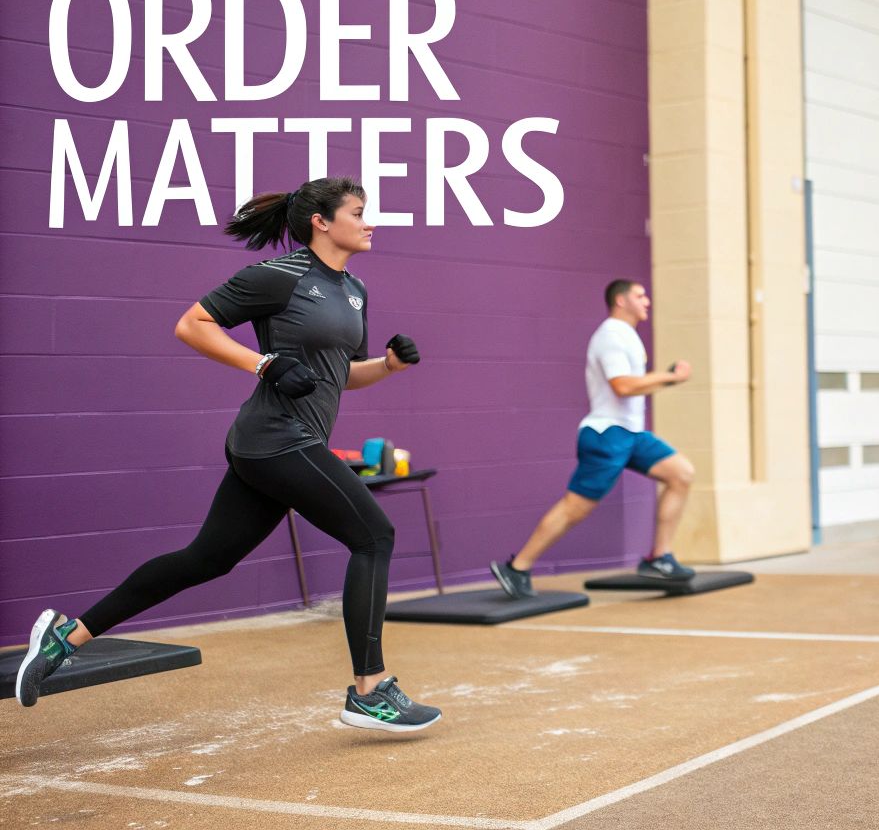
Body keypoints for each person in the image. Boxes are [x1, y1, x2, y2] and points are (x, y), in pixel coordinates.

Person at [13, 177, 440, 733]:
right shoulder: (280, 277)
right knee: (374, 536)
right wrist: (263, 363)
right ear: (322, 221)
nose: (369, 221)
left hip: (282, 441)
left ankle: (65, 637)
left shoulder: (354, 289)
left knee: (207, 559)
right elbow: (192, 324)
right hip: (276, 437)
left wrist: (388, 366)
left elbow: (338, 378)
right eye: (358, 212)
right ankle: (368, 691)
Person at [490, 279, 698, 597]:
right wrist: (671, 376)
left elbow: (634, 386)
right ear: (620, 300)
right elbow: (623, 386)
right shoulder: (611, 335)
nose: (647, 301)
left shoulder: (627, 335)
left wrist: (666, 380)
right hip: (606, 434)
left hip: (631, 434)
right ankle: (516, 567)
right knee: (576, 508)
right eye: (640, 295)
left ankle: (660, 558)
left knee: (681, 474)